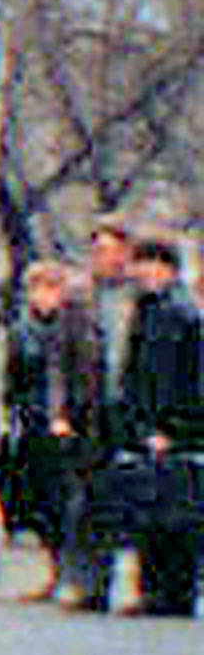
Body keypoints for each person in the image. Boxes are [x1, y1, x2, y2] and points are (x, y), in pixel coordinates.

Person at [6, 238, 115, 606]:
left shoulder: (74, 327)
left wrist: (66, 415)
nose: (41, 297)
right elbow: (13, 378)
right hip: (33, 422)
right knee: (43, 503)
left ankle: (74, 576)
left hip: (68, 425)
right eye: (35, 289)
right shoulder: (22, 330)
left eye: (49, 288)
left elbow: (80, 377)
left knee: (71, 501)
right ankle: (55, 570)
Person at [101, 232, 204, 618]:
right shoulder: (148, 310)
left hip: (173, 430)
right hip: (148, 427)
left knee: (175, 515)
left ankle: (173, 593)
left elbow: (184, 379)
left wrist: (171, 428)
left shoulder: (181, 314)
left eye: (146, 263)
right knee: (151, 512)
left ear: (166, 268)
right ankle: (154, 590)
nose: (139, 271)